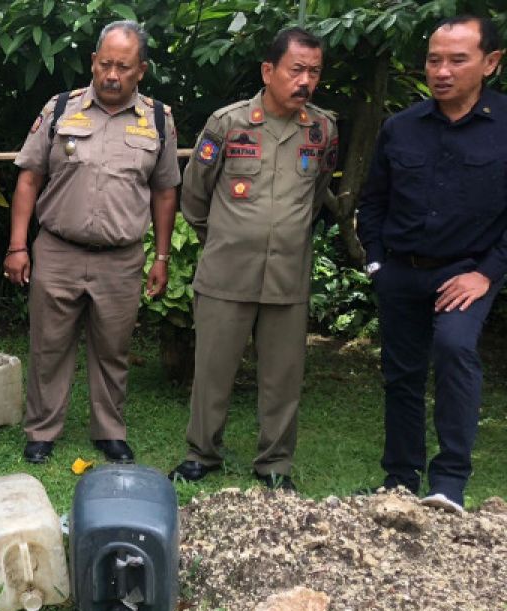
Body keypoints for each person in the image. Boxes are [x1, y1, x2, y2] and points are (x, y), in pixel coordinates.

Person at [170, 27, 339, 492]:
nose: (305, 80)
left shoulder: (322, 130)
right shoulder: (228, 124)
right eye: (296, 69)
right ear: (269, 71)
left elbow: (317, 194)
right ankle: (201, 454)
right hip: (227, 272)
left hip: (287, 276)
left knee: (283, 379)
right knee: (212, 373)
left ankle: (274, 464)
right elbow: (194, 194)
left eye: (314, 71)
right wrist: (225, 236)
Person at [5, 20, 179, 466]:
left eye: (123, 66)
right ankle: (42, 431)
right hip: (58, 251)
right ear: (93, 62)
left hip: (121, 259)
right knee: (49, 346)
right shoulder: (60, 109)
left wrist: (161, 256)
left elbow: (164, 191)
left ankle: (109, 432)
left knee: (113, 349)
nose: (112, 75)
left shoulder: (158, 119)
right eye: (105, 64)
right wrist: (18, 245)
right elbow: (29, 178)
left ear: (141, 70)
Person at [357, 16, 505, 513]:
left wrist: (486, 272)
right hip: (401, 270)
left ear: (491, 62)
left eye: (457, 60)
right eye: (434, 59)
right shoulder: (401, 128)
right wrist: (377, 263)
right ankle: (400, 478)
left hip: (466, 271)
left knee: (455, 348)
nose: (442, 71)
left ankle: (449, 482)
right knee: (401, 374)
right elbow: (373, 201)